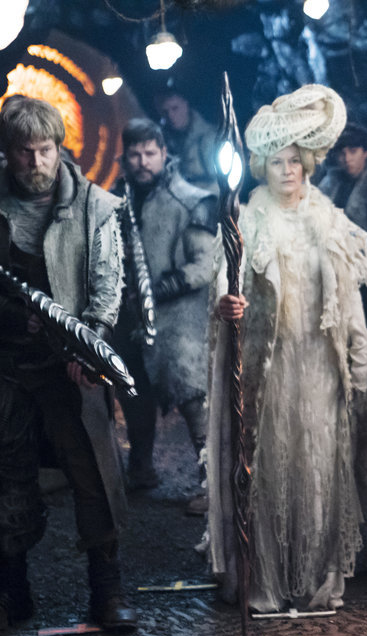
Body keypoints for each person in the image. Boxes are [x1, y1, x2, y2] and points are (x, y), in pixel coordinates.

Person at [204, 84, 367, 613]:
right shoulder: (247, 219)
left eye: (295, 161)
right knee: (272, 467)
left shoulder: (329, 219)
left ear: (308, 165)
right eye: (277, 162)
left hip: (320, 364)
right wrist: (227, 302)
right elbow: (223, 279)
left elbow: (350, 304)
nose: (287, 171)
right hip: (269, 366)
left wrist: (358, 366)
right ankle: (265, 577)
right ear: (263, 167)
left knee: (321, 467)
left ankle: (319, 576)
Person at [0, 97, 137, 634]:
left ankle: (107, 590)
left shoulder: (94, 205)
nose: (36, 162)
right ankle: (11, 591)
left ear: (59, 147)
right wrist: (1, 309)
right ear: (7, 151)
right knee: (4, 475)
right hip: (3, 363)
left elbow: (108, 284)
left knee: (94, 473)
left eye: (45, 150)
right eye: (24, 152)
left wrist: (90, 346)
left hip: (71, 363)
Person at [111, 118, 219, 515]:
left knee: (194, 399)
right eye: (135, 154)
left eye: (150, 153)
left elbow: (205, 265)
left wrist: (156, 290)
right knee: (133, 391)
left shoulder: (193, 201)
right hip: (130, 317)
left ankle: (214, 486)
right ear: (125, 157)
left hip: (180, 320)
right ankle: (140, 468)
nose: (143, 162)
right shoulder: (114, 202)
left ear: (164, 154)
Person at [317, 121, 367, 389]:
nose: (347, 158)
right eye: (342, 153)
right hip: (334, 273)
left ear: (365, 152)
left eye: (353, 151)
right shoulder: (330, 184)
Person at [156, 88, 219, 193]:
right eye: (165, 112)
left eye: (175, 108)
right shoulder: (162, 142)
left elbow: (224, 182)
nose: (170, 115)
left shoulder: (211, 138)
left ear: (186, 104)